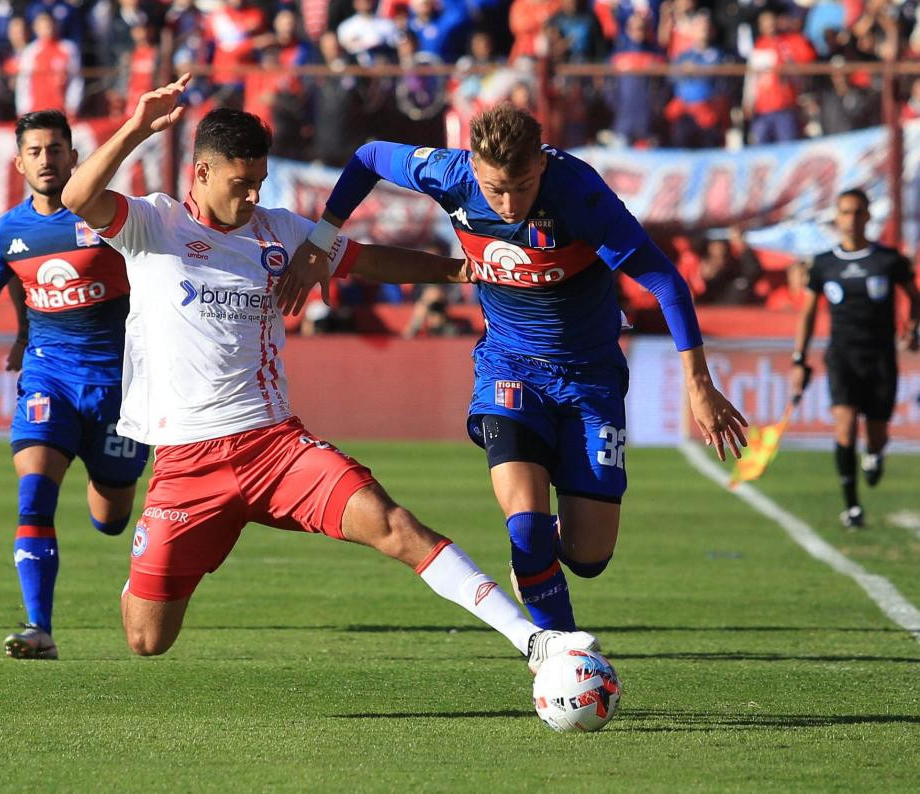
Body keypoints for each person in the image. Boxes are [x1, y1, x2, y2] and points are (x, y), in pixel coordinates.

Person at [61, 77, 598, 673]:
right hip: (187, 463)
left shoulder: (280, 231)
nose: (252, 196)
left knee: (394, 524)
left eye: (260, 182)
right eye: (241, 184)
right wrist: (137, 126)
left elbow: (368, 260)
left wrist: (462, 271)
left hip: (275, 446)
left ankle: (534, 641)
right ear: (203, 173)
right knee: (147, 639)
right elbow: (78, 197)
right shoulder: (153, 225)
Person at [278, 102, 748, 636]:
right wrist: (321, 238)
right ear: (474, 167)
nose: (508, 203)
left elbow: (664, 281)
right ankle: (562, 652)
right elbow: (367, 157)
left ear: (541, 166)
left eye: (522, 186)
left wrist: (699, 385)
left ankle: (547, 557)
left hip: (590, 376)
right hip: (510, 367)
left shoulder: (578, 194)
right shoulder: (449, 174)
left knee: (589, 555)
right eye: (496, 188)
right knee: (524, 530)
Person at [0, 110, 149, 660]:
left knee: (111, 519)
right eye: (35, 152)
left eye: (56, 150)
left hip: (118, 386)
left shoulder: (110, 217)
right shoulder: (9, 232)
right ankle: (38, 628)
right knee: (35, 493)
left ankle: (113, 497)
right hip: (48, 377)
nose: (46, 160)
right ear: (20, 163)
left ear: (73, 156)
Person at [791, 188, 920, 529]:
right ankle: (852, 507)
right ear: (837, 218)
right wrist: (798, 357)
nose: (851, 219)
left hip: (880, 358)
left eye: (857, 212)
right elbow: (807, 314)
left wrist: (912, 328)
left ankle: (875, 454)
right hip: (842, 357)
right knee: (845, 428)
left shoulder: (888, 260)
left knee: (876, 434)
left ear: (867, 216)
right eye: (845, 213)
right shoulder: (823, 264)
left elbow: (913, 297)